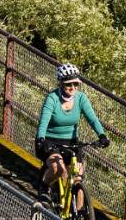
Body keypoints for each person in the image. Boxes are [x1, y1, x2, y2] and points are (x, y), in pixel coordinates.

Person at [35, 63, 109, 201]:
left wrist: (102, 135)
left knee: (78, 178)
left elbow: (92, 119)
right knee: (59, 169)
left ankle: (80, 218)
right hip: (50, 141)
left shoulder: (81, 98)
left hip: (71, 142)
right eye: (69, 84)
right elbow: (43, 121)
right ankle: (44, 188)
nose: (73, 88)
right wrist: (41, 138)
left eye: (76, 84)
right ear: (61, 83)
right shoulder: (52, 98)